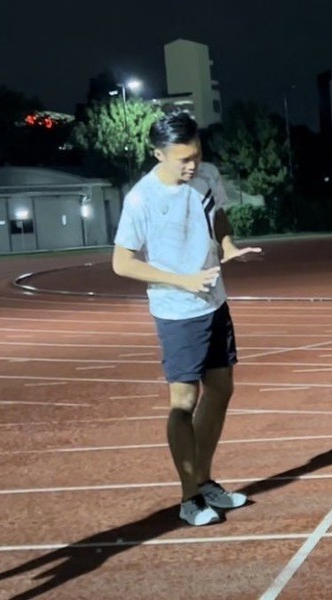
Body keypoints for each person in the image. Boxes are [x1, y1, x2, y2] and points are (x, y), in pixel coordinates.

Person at [112, 110, 262, 526]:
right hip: (177, 312)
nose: (192, 164)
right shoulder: (141, 199)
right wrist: (182, 280)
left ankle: (206, 478)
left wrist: (228, 246)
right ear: (157, 153)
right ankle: (189, 496)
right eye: (182, 159)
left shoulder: (208, 175)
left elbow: (217, 215)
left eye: (195, 154)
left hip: (215, 301)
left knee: (221, 388)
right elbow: (122, 263)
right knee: (183, 401)